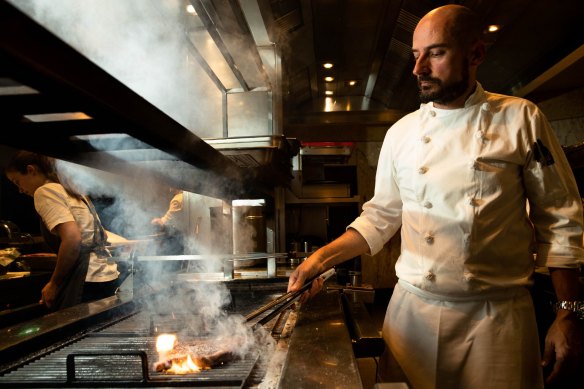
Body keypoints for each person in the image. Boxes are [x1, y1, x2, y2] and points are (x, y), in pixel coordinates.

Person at [287, 4, 583, 388]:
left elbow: (560, 218)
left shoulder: (520, 118)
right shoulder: (401, 133)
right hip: (411, 315)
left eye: (436, 53)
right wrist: (318, 261)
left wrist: (569, 316)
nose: (418, 68)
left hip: (495, 321)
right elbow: (379, 218)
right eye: (415, 55)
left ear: (475, 54)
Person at [4, 151, 119, 310]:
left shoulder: (44, 192)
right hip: (106, 274)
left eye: (17, 182)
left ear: (31, 170)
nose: (20, 190)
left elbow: (72, 239)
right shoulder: (72, 190)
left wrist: (54, 284)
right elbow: (101, 235)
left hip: (85, 277)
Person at [151, 187, 185, 255]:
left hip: (177, 236)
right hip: (182, 234)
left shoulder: (177, 199)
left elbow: (169, 218)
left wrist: (159, 221)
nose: (169, 188)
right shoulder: (184, 196)